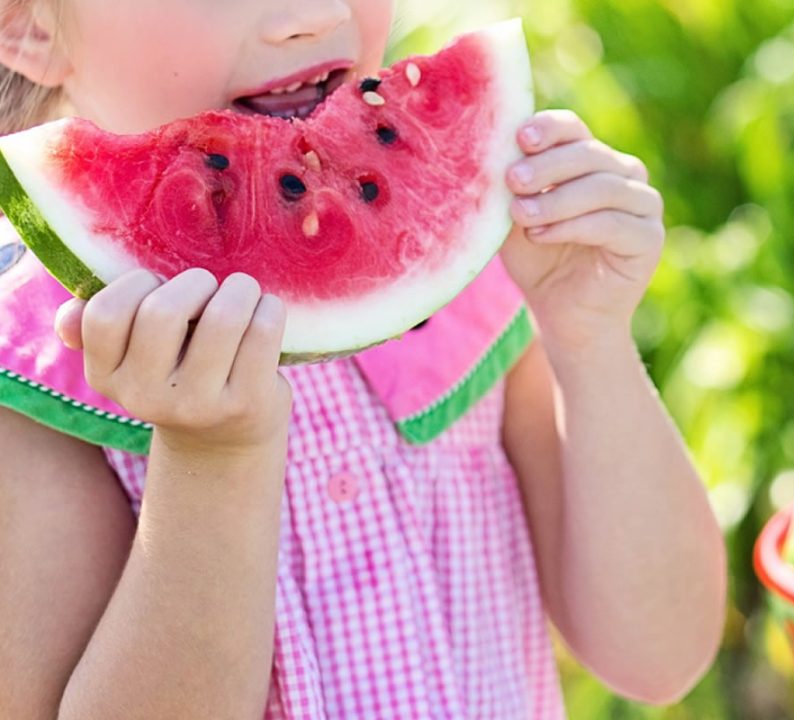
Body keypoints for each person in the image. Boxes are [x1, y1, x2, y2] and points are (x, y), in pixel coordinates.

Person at [0, 1, 726, 718]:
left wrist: (590, 338)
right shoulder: (30, 384)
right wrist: (211, 462)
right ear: (25, 24)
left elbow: (660, 657)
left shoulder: (473, 282)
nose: (313, 15)